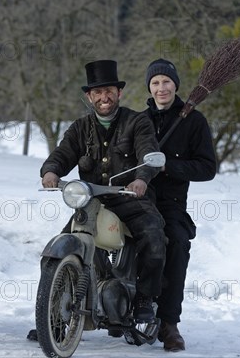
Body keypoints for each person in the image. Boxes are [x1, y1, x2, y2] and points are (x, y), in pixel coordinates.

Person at [40, 60, 167, 323]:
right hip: (91, 202)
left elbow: (148, 153)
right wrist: (51, 171)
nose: (103, 97)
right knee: (55, 252)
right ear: (89, 96)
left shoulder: (137, 122)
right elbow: (63, 154)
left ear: (118, 92)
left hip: (130, 198)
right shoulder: (79, 128)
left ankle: (144, 298)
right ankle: (51, 319)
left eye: (108, 90)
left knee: (154, 238)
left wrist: (141, 179)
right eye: (97, 92)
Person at [144, 59, 217, 351]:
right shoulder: (139, 120)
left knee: (176, 242)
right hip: (137, 198)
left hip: (170, 205)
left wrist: (168, 167)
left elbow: (206, 168)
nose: (161, 88)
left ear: (176, 84)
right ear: (149, 88)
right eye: (155, 83)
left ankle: (168, 323)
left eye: (166, 82)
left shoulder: (194, 121)